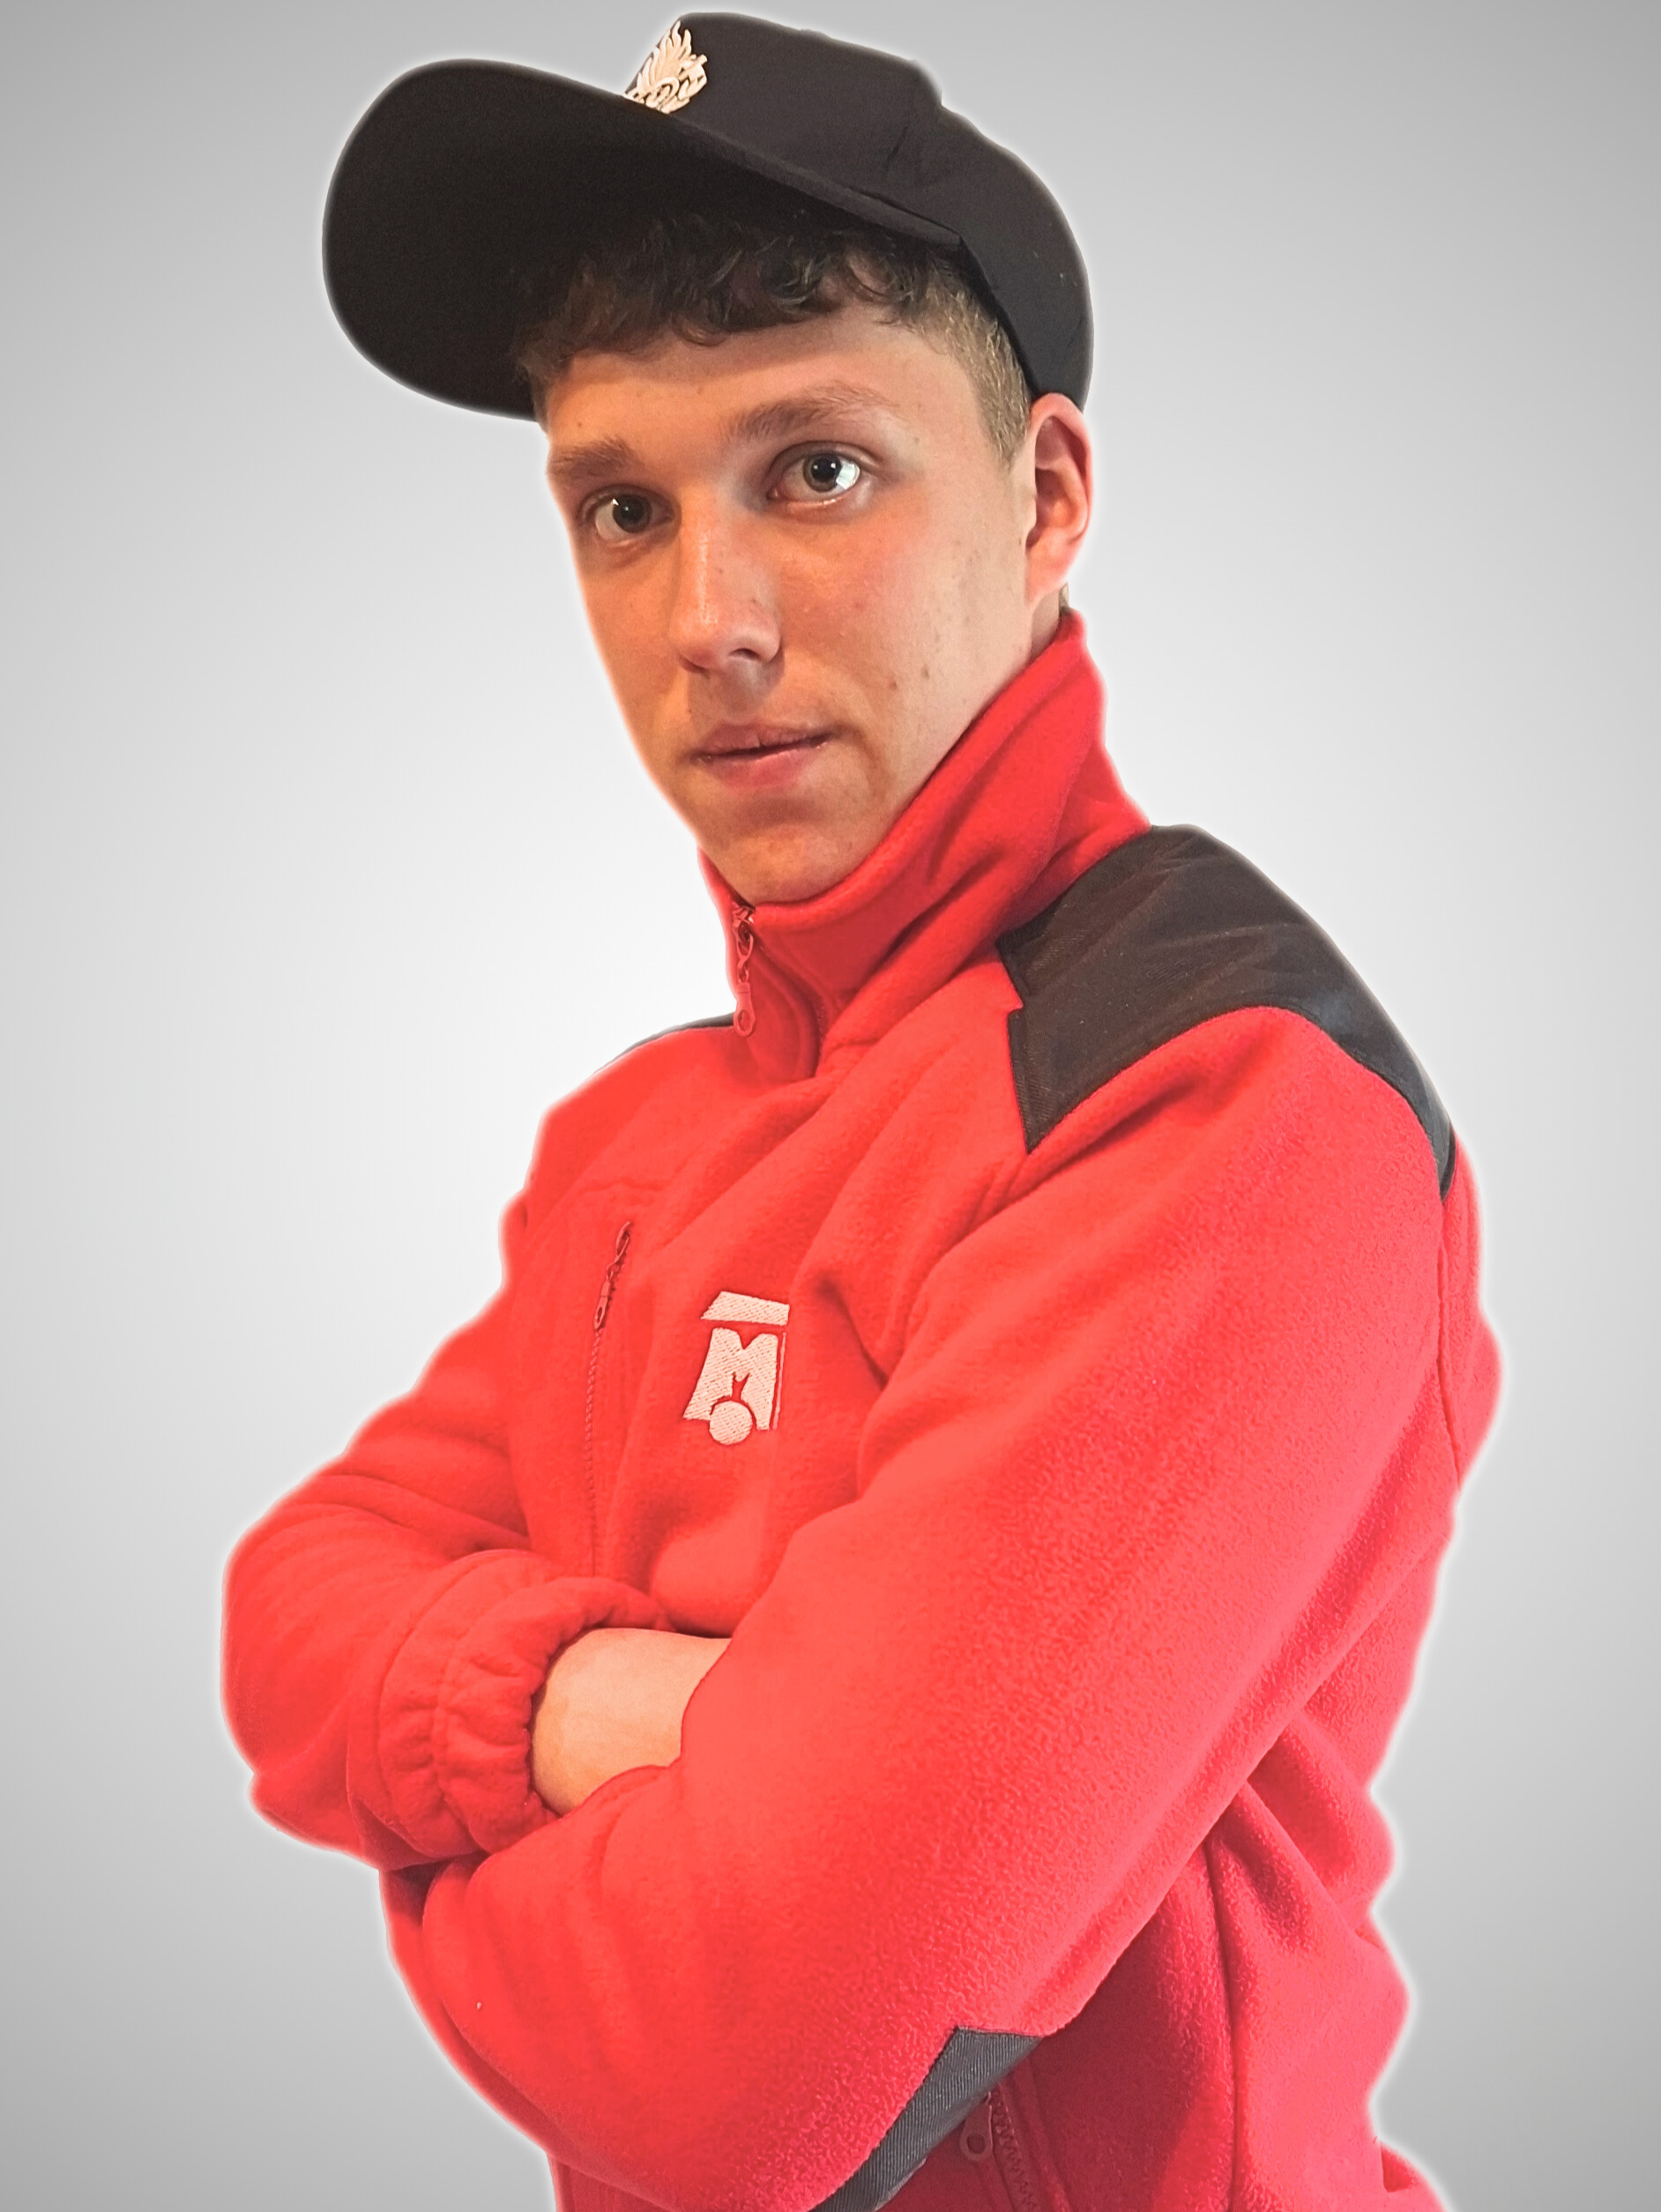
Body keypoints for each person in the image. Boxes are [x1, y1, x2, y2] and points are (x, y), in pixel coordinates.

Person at [220, 19, 1501, 2212]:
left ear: (1049, 498)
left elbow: (746, 2085)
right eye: (625, 509)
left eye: (816, 469)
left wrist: (429, 1849)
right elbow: (284, 1613)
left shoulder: (1219, 1100)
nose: (704, 622)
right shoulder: (634, 1137)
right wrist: (582, 1706)